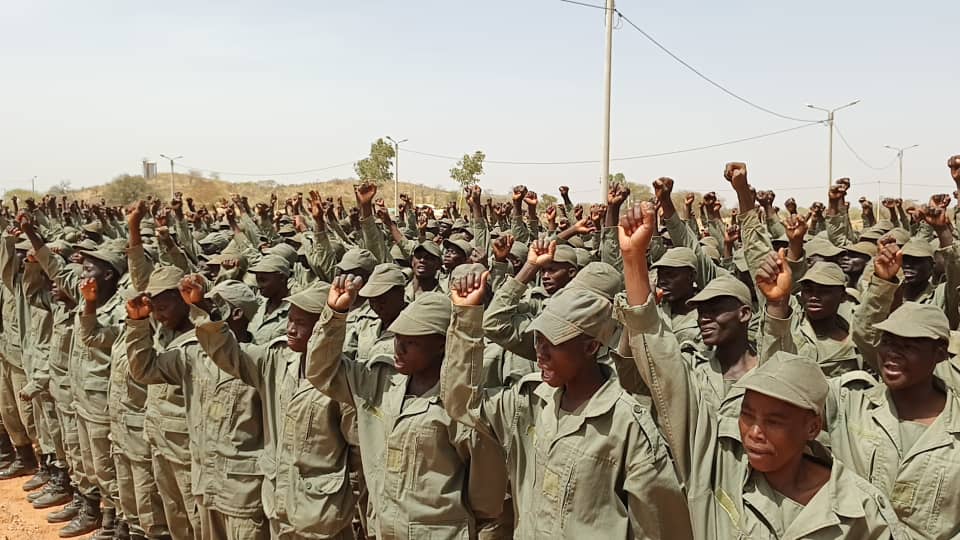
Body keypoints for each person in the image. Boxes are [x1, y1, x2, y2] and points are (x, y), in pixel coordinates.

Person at [617, 195, 904, 539]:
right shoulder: (718, 463)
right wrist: (633, 261)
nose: (754, 432)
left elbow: (780, 367)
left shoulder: (860, 511)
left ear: (813, 427)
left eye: (774, 421)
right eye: (747, 415)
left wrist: (777, 306)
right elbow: (664, 366)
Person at [440, 270, 692, 539]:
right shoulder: (529, 401)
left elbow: (659, 526)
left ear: (591, 347)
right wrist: (466, 318)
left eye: (554, 342)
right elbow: (462, 404)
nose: (540, 351)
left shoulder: (625, 423)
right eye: (538, 339)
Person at [307, 284, 506, 539]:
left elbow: (485, 493)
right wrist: (335, 314)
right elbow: (321, 371)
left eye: (411, 342)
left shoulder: (459, 405)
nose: (398, 348)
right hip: (384, 528)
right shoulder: (378, 382)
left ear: (441, 344)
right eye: (397, 338)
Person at [193, 281, 359, 539]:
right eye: (290, 320)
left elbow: (358, 451)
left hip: (322, 511)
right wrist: (206, 311)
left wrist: (347, 500)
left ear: (322, 328)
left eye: (301, 323)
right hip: (279, 501)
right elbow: (229, 354)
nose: (290, 328)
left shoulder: (343, 380)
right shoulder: (277, 361)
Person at [125, 272, 268, 540]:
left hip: (243, 490)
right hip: (204, 477)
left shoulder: (260, 363)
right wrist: (138, 323)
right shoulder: (192, 354)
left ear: (235, 315)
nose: (200, 311)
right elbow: (144, 370)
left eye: (211, 307)